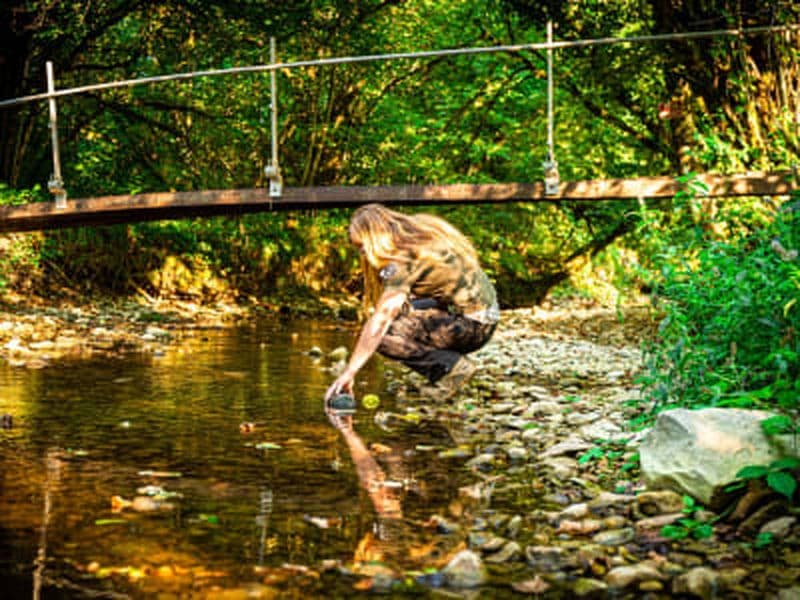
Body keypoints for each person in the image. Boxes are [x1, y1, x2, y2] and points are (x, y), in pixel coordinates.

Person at [324, 203, 500, 406]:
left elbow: (381, 319)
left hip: (471, 328)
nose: (363, 255)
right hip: (484, 319)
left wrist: (350, 372)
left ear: (374, 239)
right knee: (404, 309)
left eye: (362, 248)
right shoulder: (422, 231)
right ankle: (446, 363)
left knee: (384, 333)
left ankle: (451, 367)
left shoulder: (402, 261)